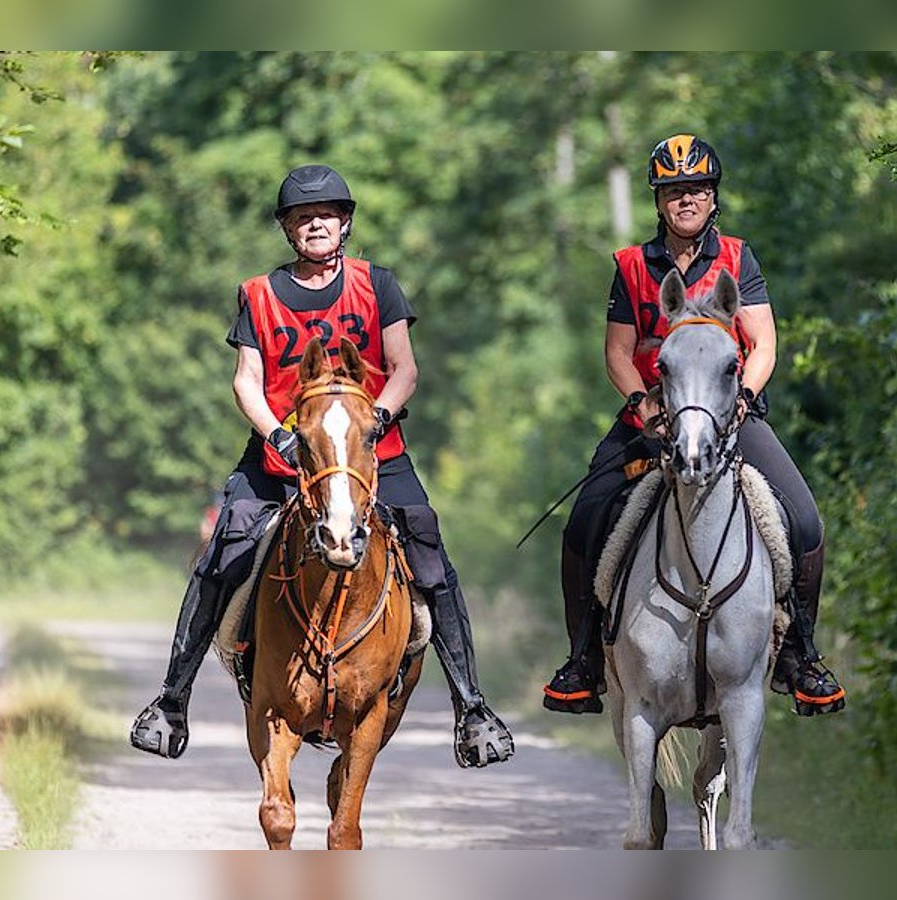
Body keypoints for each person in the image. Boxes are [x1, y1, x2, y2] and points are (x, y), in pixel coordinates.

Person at [130, 164, 515, 768]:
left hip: (370, 452)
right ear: (288, 229)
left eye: (327, 215)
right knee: (222, 554)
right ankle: (171, 701)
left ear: (345, 223)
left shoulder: (377, 284)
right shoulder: (258, 293)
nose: (316, 224)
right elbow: (247, 381)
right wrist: (277, 436)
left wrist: (380, 420)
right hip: (285, 454)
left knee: (429, 551)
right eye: (303, 217)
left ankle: (472, 708)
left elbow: (405, 369)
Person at [542, 134, 846, 717]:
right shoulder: (633, 265)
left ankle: (800, 655)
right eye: (674, 190)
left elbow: (763, 342)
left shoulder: (738, 257)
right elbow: (617, 350)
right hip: (653, 414)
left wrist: (745, 397)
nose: (687, 199)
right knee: (584, 520)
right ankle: (582, 659)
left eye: (697, 189)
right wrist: (643, 403)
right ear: (659, 200)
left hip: (729, 411)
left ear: (713, 197)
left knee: (804, 519)